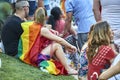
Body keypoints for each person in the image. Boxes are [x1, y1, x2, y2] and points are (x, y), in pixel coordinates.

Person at [17, 7, 78, 75]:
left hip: (30, 55)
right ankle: (68, 69)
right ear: (45, 17)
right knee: (57, 45)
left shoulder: (31, 24)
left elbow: (42, 29)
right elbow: (60, 40)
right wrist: (70, 46)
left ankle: (67, 65)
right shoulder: (43, 30)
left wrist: (50, 30)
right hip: (37, 58)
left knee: (55, 43)